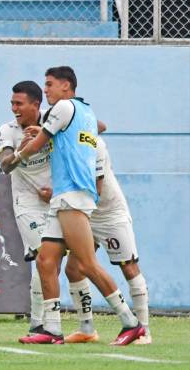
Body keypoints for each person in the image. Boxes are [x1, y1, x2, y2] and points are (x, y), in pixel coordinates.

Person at [9, 66, 144, 346]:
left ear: (66, 86)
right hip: (64, 196)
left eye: (49, 84)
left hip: (73, 195)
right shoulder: (85, 112)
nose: (45, 89)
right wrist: (47, 132)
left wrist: (15, 158)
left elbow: (37, 145)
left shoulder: (64, 107)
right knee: (46, 260)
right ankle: (52, 329)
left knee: (87, 264)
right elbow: (72, 137)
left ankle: (131, 323)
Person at [62, 136, 151, 344]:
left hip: (110, 215)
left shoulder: (94, 144)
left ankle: (144, 331)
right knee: (73, 269)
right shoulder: (63, 143)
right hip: (85, 214)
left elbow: (97, 188)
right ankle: (86, 329)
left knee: (129, 267)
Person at [0, 81, 53, 334]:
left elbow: (96, 127)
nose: (14, 109)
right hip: (26, 202)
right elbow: (5, 166)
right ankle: (42, 323)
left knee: (51, 262)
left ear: (36, 105)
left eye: (19, 104)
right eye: (12, 103)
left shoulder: (53, 121)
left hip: (54, 200)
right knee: (45, 256)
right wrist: (21, 151)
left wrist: (45, 132)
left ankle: (40, 322)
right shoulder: (8, 130)